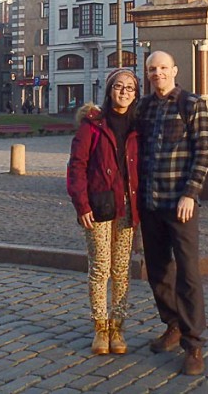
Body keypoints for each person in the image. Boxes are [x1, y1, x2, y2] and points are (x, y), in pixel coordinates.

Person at [136, 50, 208, 376]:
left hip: (179, 204)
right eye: (152, 69)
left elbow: (204, 153)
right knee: (157, 270)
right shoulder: (144, 107)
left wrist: (191, 194)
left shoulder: (191, 104)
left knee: (188, 273)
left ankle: (193, 344)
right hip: (150, 204)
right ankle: (173, 324)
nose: (158, 73)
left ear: (174, 70)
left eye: (163, 68)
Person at [66, 68, 141, 356]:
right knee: (100, 268)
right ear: (110, 90)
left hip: (127, 205)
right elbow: (77, 166)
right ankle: (100, 327)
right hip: (99, 204)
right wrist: (81, 204)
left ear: (136, 94)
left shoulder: (138, 126)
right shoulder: (93, 124)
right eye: (119, 87)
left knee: (121, 270)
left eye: (130, 88)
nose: (124, 92)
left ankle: (117, 327)